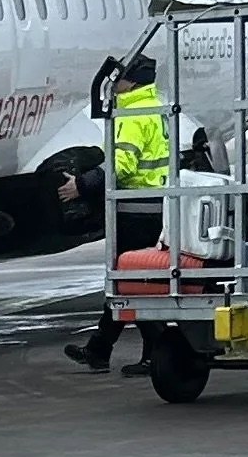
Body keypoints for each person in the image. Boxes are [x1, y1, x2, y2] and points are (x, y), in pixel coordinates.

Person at [58, 52, 169, 374]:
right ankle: (99, 349)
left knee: (132, 284)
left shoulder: (132, 114)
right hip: (153, 205)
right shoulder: (153, 106)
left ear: (131, 81)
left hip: (135, 209)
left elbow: (123, 164)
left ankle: (156, 353)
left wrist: (83, 183)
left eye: (119, 77)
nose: (114, 83)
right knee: (129, 282)